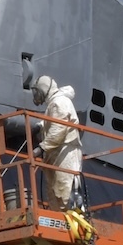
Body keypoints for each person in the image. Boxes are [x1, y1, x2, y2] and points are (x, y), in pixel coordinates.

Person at [32, 74, 83, 210]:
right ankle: (60, 218)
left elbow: (59, 128)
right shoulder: (54, 104)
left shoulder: (59, 102)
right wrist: (41, 125)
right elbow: (55, 120)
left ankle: (70, 217)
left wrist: (41, 148)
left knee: (64, 188)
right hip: (57, 152)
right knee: (56, 191)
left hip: (65, 152)